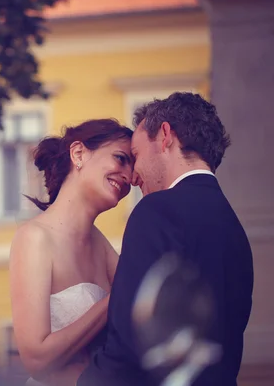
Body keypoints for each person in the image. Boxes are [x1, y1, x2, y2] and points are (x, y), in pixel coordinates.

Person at [77, 92, 254, 386]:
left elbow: (129, 342)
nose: (133, 177)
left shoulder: (156, 211)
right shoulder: (234, 229)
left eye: (135, 156)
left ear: (165, 136)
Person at [9, 119, 134, 385]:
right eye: (121, 159)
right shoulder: (34, 238)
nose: (129, 177)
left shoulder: (102, 245)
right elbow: (36, 360)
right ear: (78, 154)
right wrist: (110, 303)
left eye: (133, 169)